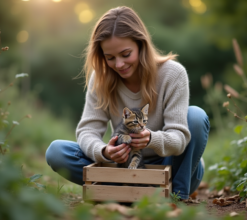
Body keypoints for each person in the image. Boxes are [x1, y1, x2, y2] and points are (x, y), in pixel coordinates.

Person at [45, 6, 210, 201]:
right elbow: (87, 131)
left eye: (125, 54)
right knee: (56, 152)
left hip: (170, 164)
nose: (119, 65)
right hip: (124, 165)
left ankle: (176, 196)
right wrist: (105, 152)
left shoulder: (173, 74)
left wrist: (152, 139)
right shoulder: (100, 78)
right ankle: (130, 190)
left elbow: (179, 138)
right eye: (110, 58)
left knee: (197, 116)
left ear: (141, 44)